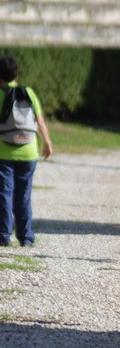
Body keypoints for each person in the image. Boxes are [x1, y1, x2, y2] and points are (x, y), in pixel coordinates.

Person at [0, 55, 53, 247]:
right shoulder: (28, 92)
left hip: (3, 153)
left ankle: (4, 236)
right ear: (16, 74)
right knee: (24, 195)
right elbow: (40, 121)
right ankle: (26, 238)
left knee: (4, 194)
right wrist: (47, 142)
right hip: (29, 151)